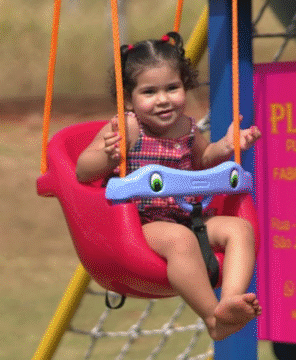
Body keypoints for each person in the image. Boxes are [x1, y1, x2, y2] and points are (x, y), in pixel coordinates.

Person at [75, 32, 263, 341]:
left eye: (172, 88)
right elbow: (83, 170)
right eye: (149, 91)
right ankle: (212, 318)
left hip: (189, 215)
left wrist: (226, 146)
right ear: (129, 97)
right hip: (141, 223)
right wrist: (108, 156)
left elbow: (203, 160)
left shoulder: (187, 127)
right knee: (180, 240)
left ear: (184, 87)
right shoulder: (127, 127)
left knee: (240, 229)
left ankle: (231, 299)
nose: (163, 99)